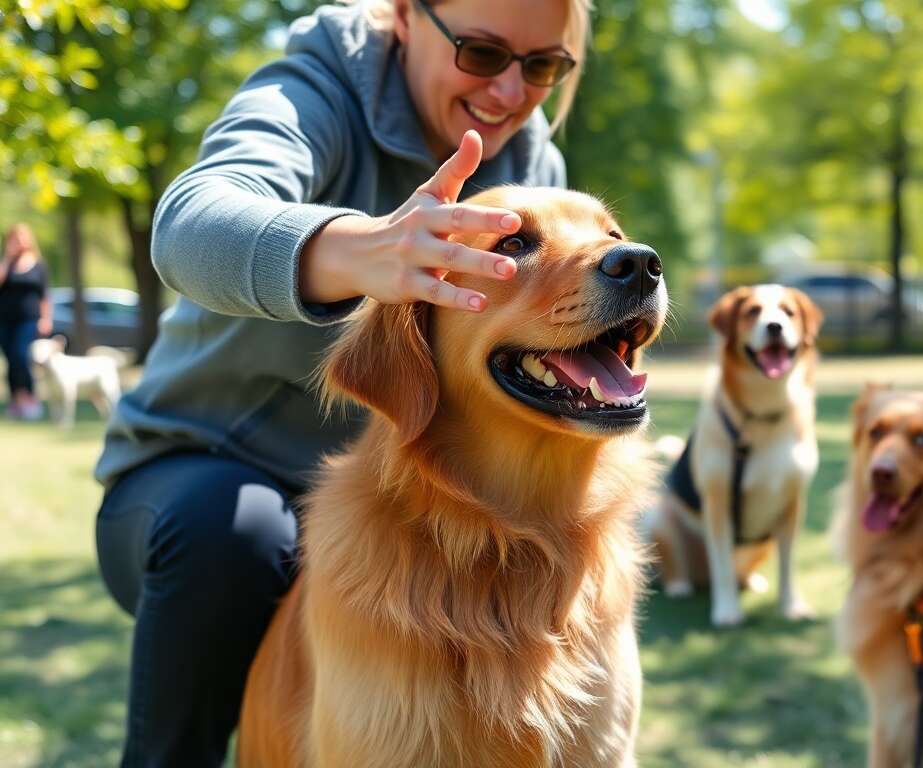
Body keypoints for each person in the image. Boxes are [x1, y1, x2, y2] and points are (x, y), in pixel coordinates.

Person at [91, 0, 589, 764]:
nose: (509, 94)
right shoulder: (315, 88)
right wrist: (362, 250)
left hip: (396, 515)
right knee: (237, 536)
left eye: (543, 66)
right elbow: (188, 223)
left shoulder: (532, 168)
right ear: (403, 17)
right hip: (202, 500)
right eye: (483, 54)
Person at [0, 223, 52, 421]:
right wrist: (7, 257)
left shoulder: (38, 265)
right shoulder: (7, 264)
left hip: (28, 319)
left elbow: (45, 295)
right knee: (11, 359)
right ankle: (16, 401)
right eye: (15, 237)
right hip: (5, 319)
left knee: (21, 356)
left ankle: (30, 398)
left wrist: (45, 318)